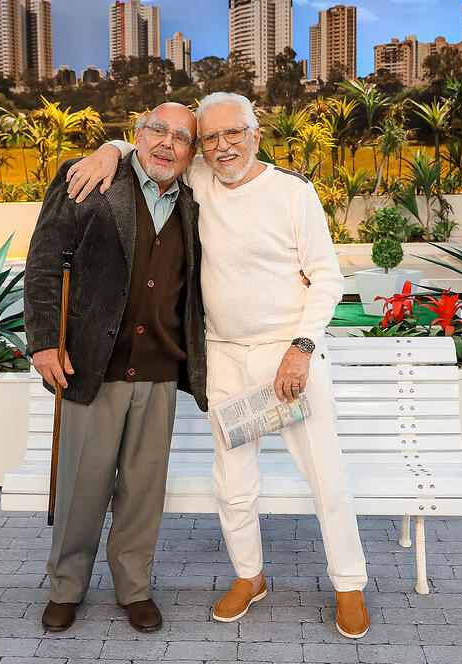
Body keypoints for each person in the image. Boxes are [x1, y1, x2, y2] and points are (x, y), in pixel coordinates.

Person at [66, 92, 370, 639]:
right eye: (211, 138)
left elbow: (326, 278)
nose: (223, 146)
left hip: (289, 356)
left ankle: (349, 583)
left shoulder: (293, 192)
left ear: (256, 135)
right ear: (202, 147)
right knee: (232, 481)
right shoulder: (199, 180)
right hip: (225, 355)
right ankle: (248, 577)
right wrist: (111, 148)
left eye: (235, 135)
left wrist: (300, 348)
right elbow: (152, 151)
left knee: (325, 477)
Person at [23, 102, 207, 634]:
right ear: (136, 133)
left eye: (181, 136)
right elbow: (42, 262)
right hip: (92, 364)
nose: (167, 142)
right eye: (157, 130)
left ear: (191, 152)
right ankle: (66, 587)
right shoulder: (89, 179)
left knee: (143, 493)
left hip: (160, 369)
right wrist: (42, 344)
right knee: (82, 487)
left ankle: (134, 588)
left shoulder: (195, 201)